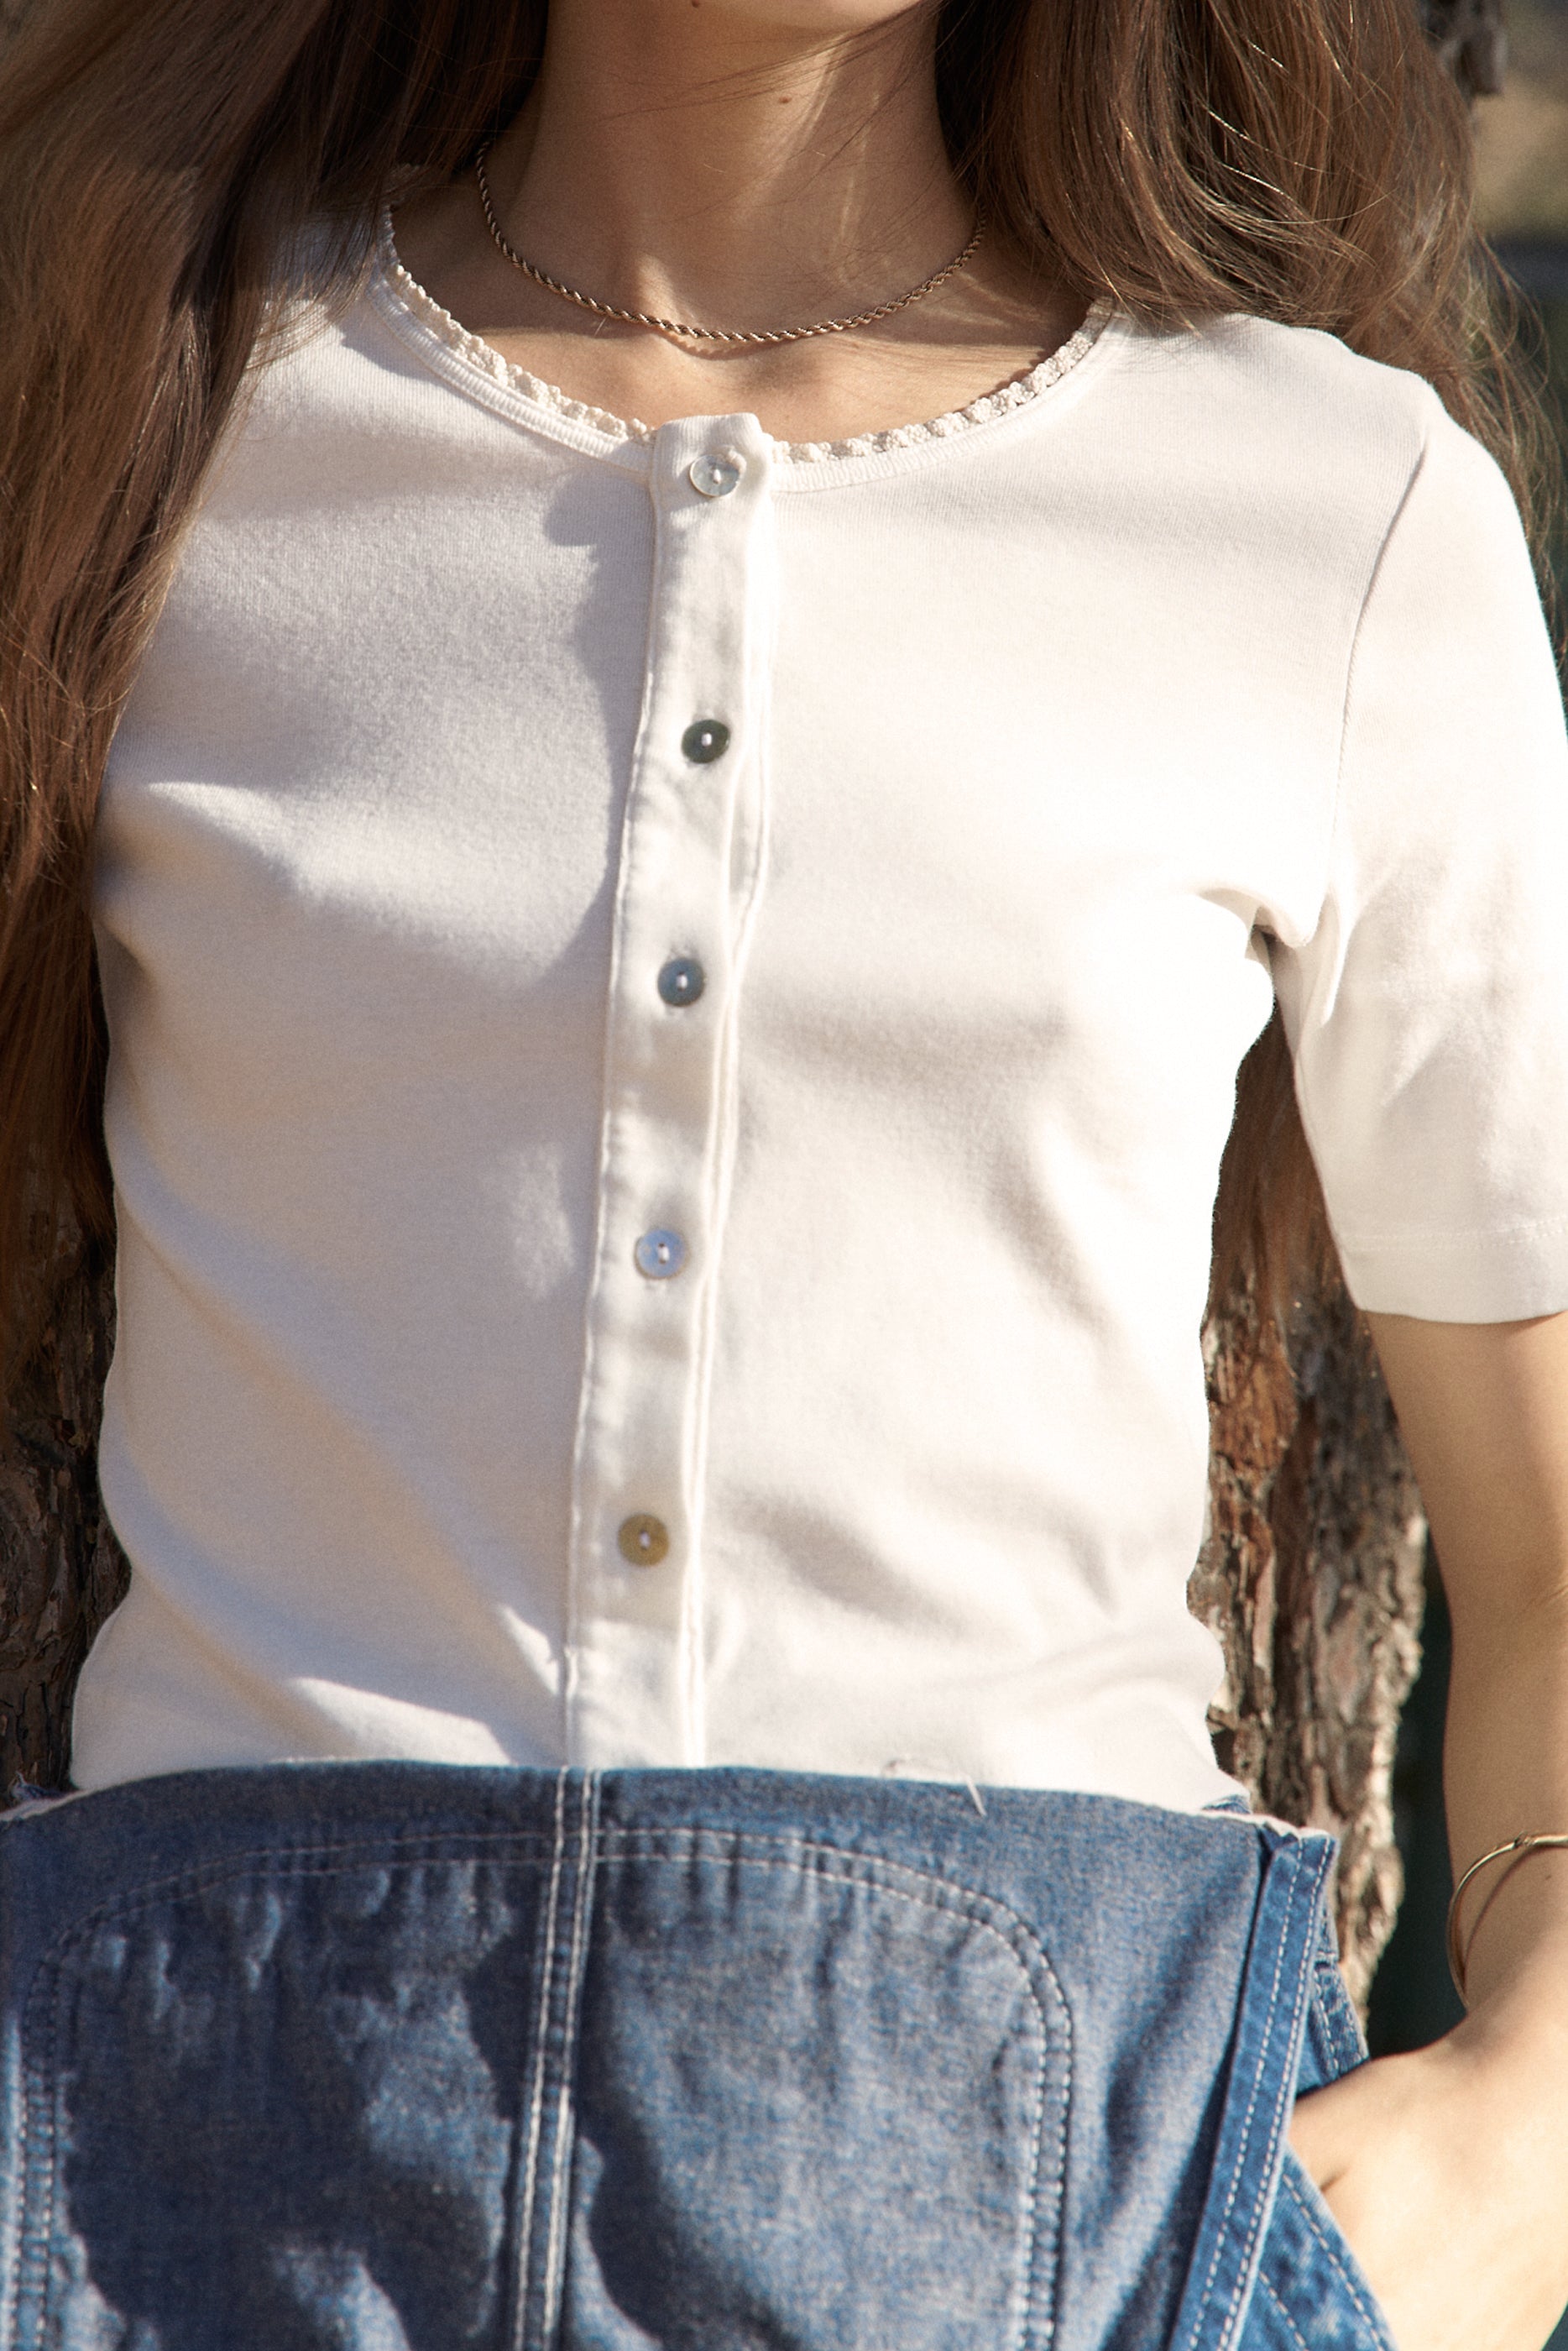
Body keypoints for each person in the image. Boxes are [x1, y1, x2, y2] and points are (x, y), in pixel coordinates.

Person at [2, 0, 1567, 2344]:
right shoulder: (135, 401)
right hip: (173, 2193)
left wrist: (1535, 2114)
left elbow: (1543, 1536)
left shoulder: (1330, 513)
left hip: (1080, 2218)